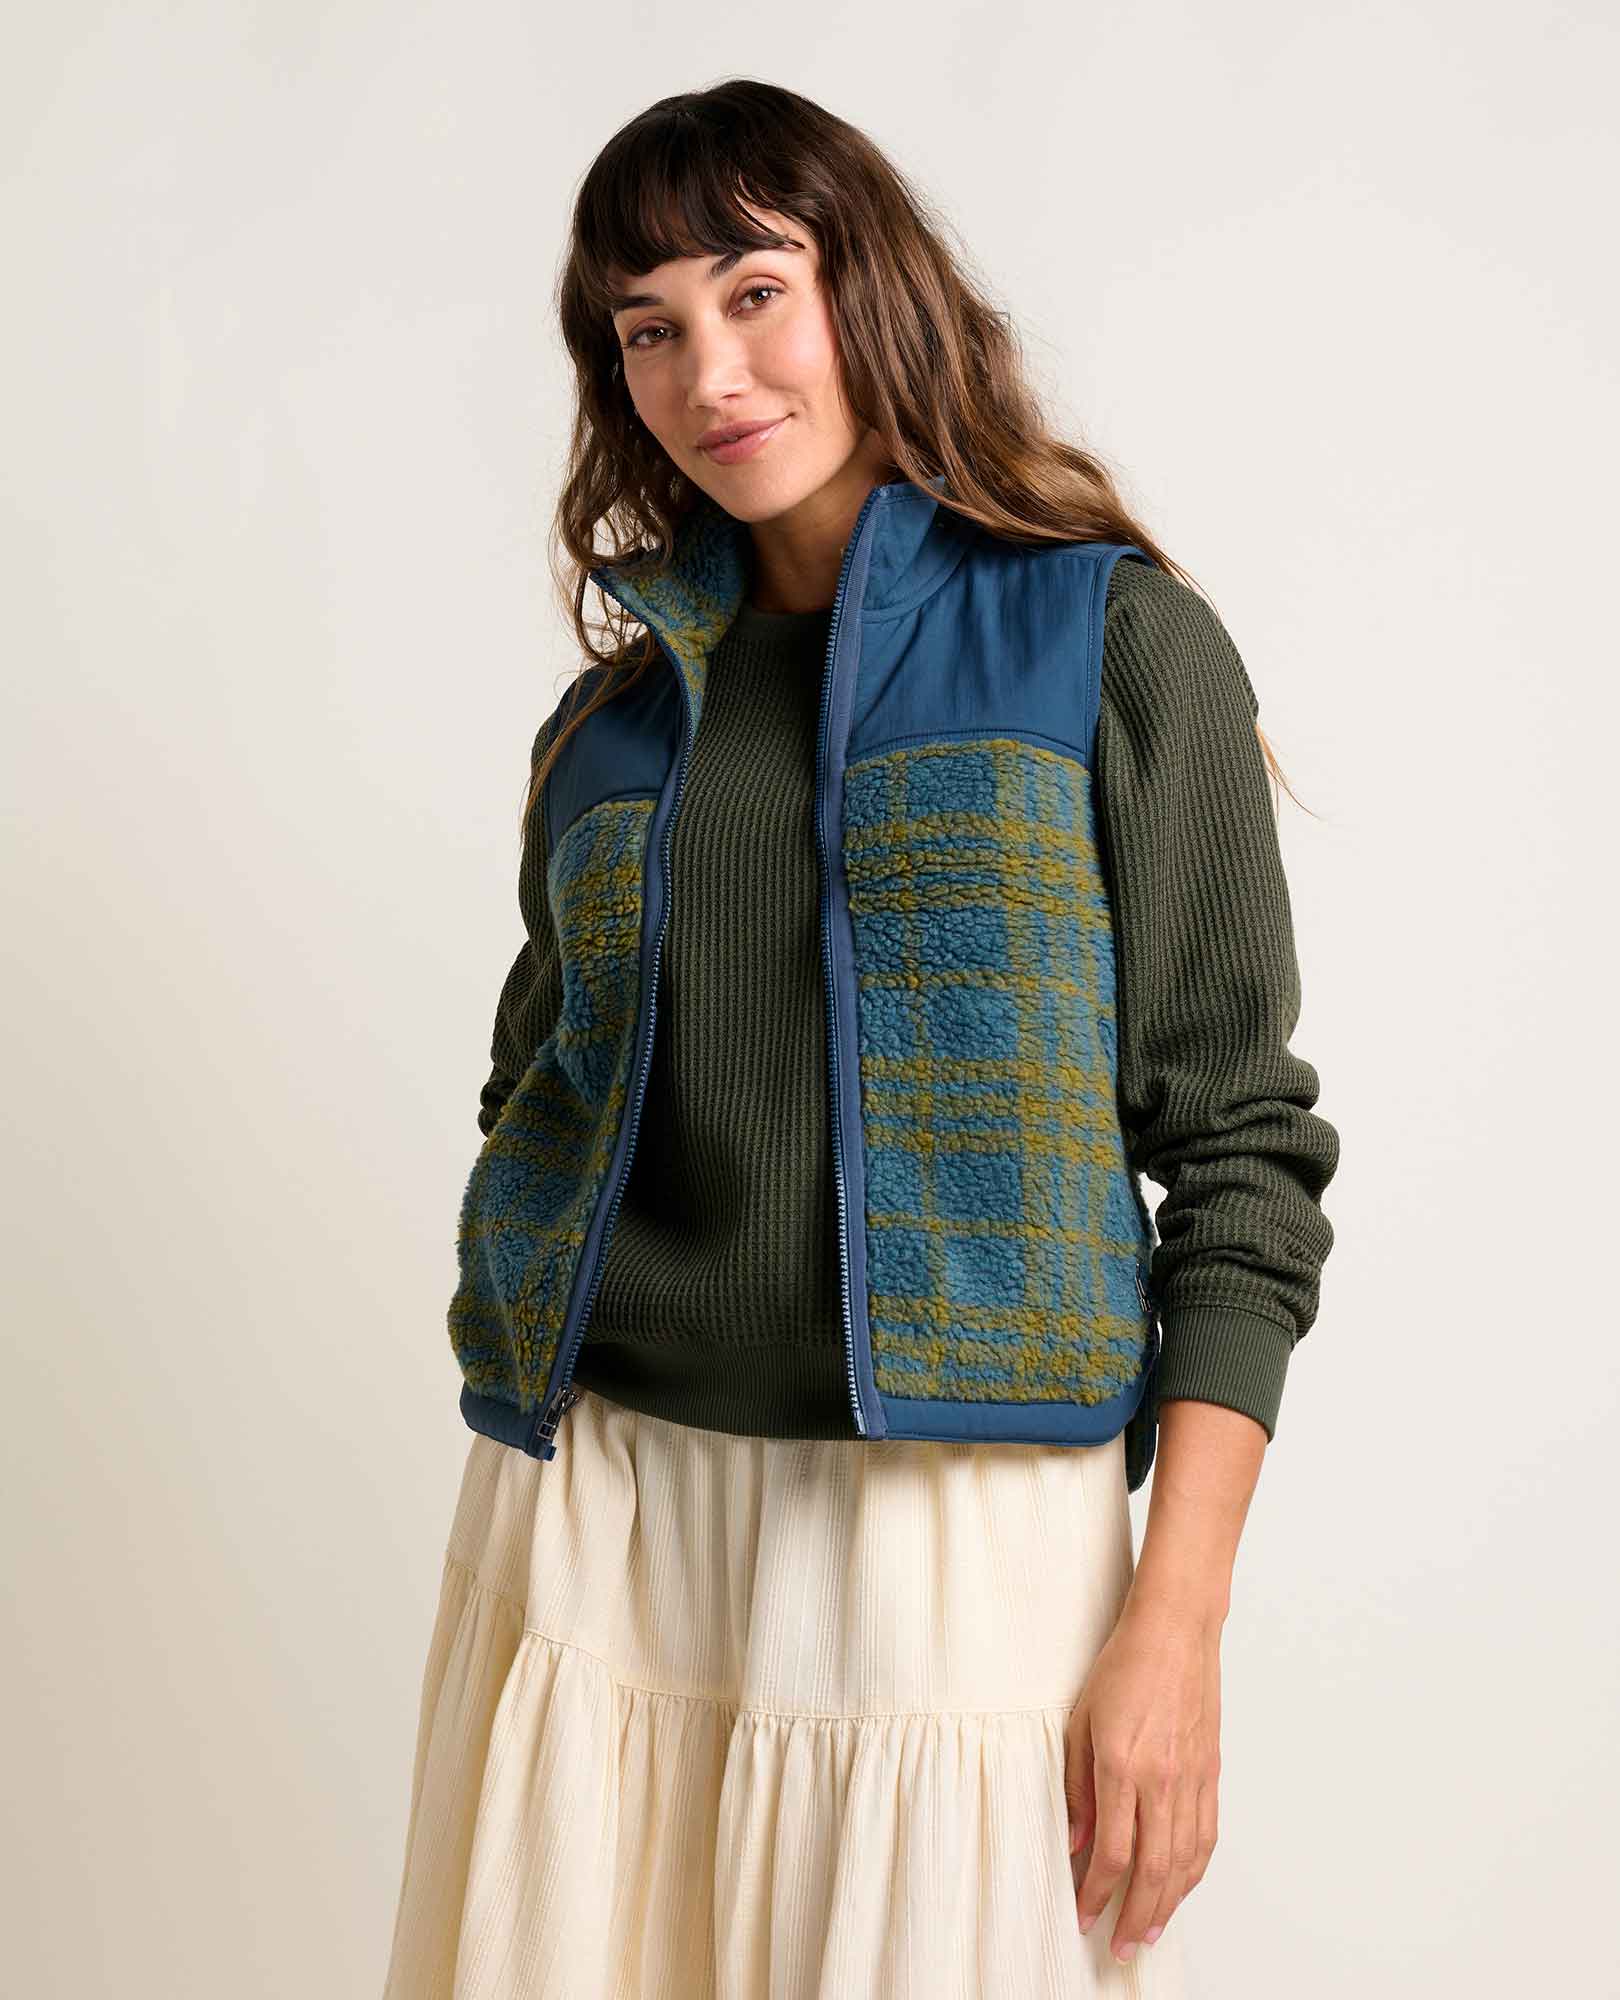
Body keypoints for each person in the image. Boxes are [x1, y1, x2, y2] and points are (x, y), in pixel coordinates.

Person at [381, 77, 1339, 2000]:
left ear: (868, 289)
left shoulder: (1105, 643)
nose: (708, 372)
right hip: (601, 1529)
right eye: (648, 328)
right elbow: (538, 1082)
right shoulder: (609, 732)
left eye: (756, 292)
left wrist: (1177, 1624)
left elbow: (1240, 1156)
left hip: (955, 1547)